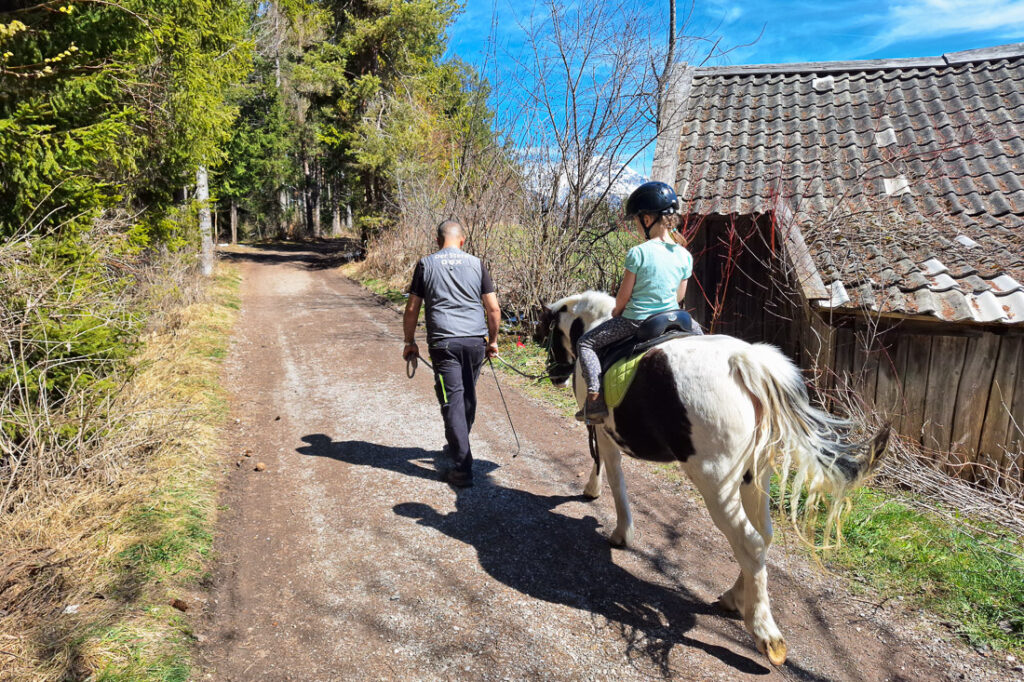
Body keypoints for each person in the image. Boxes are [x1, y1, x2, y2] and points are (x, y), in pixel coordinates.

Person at [575, 181, 698, 424]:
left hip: (638, 320)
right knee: (705, 341)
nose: (636, 223)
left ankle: (595, 399)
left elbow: (623, 298)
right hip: (676, 319)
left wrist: (617, 311)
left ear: (648, 218)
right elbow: (679, 297)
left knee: (586, 343)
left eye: (637, 218)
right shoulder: (684, 254)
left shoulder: (638, 253)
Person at [403, 219, 500, 487]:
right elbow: (493, 309)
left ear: (437, 241)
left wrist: (409, 341)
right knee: (467, 394)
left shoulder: (426, 264)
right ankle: (459, 445)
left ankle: (461, 467)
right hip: (474, 342)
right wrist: (492, 341)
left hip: (444, 343)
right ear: (462, 240)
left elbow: (412, 308)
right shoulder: (476, 263)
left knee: (452, 400)